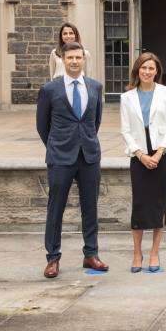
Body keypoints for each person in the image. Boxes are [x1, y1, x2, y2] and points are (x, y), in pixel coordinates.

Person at [36, 42, 107, 278]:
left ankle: (91, 254)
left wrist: (84, 142)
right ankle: (53, 258)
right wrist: (57, 146)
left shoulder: (95, 87)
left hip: (88, 156)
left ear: (84, 59)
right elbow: (42, 126)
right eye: (70, 58)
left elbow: (94, 122)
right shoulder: (49, 89)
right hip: (60, 157)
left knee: (91, 207)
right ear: (63, 60)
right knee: (55, 209)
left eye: (78, 57)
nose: (75, 61)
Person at [120, 52, 166, 273]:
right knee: (140, 203)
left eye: (151, 68)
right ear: (137, 70)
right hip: (139, 156)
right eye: (143, 68)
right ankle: (137, 253)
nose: (147, 72)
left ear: (157, 71)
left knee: (158, 203)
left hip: (162, 154)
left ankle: (154, 252)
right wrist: (141, 154)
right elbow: (125, 129)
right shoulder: (127, 97)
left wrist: (159, 153)